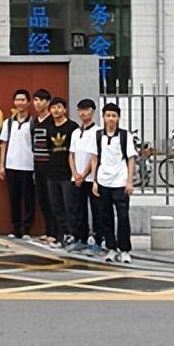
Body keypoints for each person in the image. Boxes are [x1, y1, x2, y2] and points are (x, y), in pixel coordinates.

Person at [93, 103, 136, 264]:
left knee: (123, 216)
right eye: (108, 115)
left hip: (120, 182)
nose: (111, 118)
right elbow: (95, 158)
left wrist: (129, 181)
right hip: (103, 181)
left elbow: (131, 159)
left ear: (118, 118)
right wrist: (95, 181)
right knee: (106, 216)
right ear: (103, 117)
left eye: (114, 115)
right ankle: (111, 247)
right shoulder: (98, 136)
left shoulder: (125, 136)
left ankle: (124, 249)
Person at [44, 97, 80, 249]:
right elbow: (48, 148)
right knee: (56, 207)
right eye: (53, 108)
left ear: (64, 109)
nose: (56, 110)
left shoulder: (73, 128)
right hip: (52, 174)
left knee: (70, 206)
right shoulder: (49, 127)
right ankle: (61, 236)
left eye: (59, 107)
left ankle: (74, 235)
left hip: (68, 174)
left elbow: (75, 152)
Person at [0, 89, 34, 239]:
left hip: (29, 166)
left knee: (29, 200)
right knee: (14, 199)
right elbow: (3, 144)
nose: (20, 103)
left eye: (23, 100)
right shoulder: (8, 123)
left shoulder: (33, 122)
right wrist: (1, 165)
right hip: (11, 166)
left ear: (28, 102)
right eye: (17, 100)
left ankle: (26, 230)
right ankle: (15, 228)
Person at [69, 99, 101, 255]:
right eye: (80, 110)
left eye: (86, 110)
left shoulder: (98, 132)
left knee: (96, 210)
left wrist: (84, 174)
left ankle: (97, 240)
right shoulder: (75, 132)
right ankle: (79, 238)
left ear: (93, 111)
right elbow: (71, 155)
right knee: (78, 209)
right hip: (76, 178)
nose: (83, 113)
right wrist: (75, 173)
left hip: (91, 179)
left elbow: (94, 156)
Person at [29, 89, 58, 245]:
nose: (37, 103)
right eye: (35, 100)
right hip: (37, 164)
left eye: (41, 100)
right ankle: (48, 231)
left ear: (48, 102)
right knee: (43, 200)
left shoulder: (53, 120)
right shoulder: (34, 121)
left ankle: (56, 232)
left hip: (51, 165)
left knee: (53, 199)